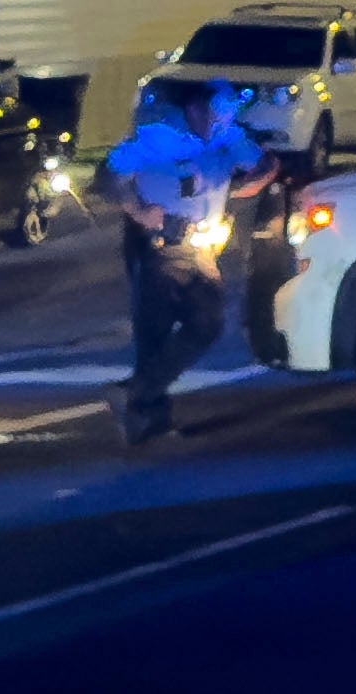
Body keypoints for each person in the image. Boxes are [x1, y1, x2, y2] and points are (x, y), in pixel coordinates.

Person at [102, 79, 277, 444]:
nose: (218, 129)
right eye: (214, 119)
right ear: (196, 108)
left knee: (207, 323)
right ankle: (149, 421)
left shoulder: (228, 136)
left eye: (225, 122)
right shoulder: (159, 134)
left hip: (202, 247)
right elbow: (110, 175)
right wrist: (137, 208)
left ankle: (136, 395)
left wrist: (245, 191)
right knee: (156, 332)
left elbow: (265, 165)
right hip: (161, 244)